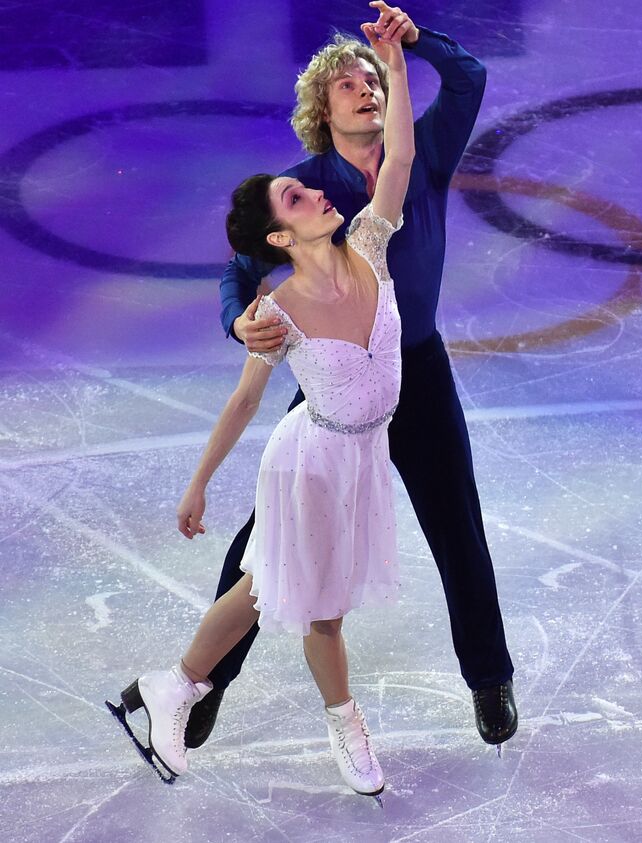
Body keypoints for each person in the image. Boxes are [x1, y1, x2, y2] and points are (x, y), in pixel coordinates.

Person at [107, 17, 416, 797]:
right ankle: (347, 730)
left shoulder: (372, 242)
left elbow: (402, 154)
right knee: (318, 612)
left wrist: (394, 66)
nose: (318, 191)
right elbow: (246, 400)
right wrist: (198, 483)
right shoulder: (277, 310)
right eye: (299, 195)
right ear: (281, 235)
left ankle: (169, 686)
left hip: (361, 455)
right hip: (310, 461)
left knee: (257, 591)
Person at [197, 1, 517, 753]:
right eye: (346, 83)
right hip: (337, 389)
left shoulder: (423, 148)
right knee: (265, 542)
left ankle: (489, 677)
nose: (364, 87)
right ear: (321, 110)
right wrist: (239, 320)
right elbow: (238, 276)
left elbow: (468, 77)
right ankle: (205, 678)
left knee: (457, 525)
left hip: (419, 373)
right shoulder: (303, 191)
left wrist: (413, 40)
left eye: (371, 78)